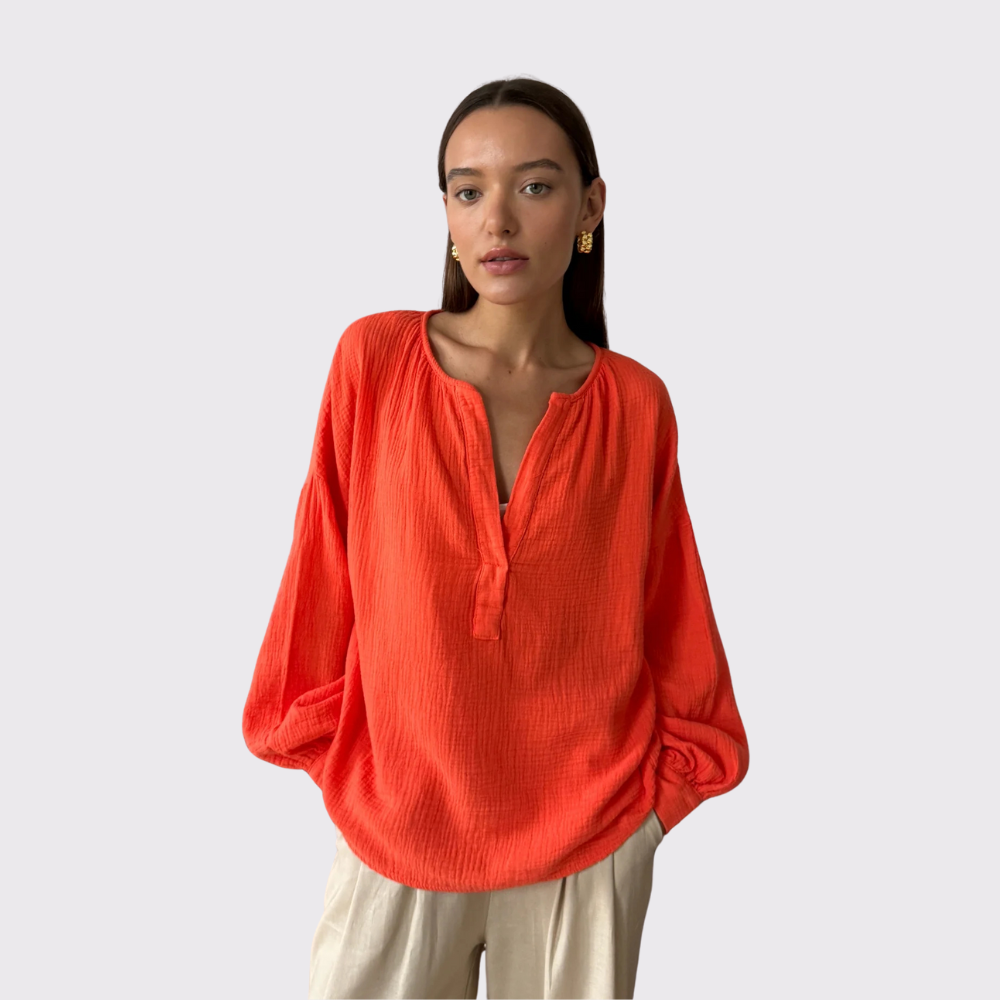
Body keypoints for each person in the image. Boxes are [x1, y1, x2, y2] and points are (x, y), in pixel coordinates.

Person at [241, 77, 750, 1000]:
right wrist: (352, 769)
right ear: (444, 212)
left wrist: (650, 814)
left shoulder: (635, 404)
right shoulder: (374, 363)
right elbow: (318, 586)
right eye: (468, 190)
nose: (498, 220)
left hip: (589, 843)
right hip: (395, 832)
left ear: (590, 207)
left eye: (536, 185)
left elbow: (675, 623)